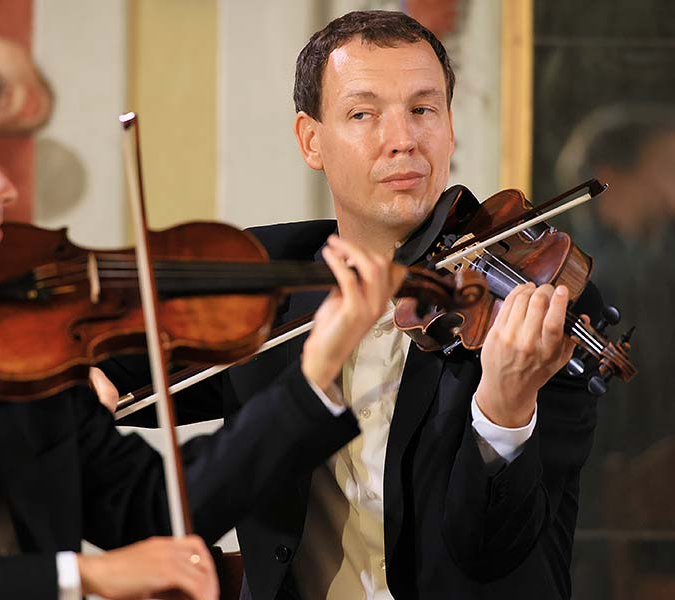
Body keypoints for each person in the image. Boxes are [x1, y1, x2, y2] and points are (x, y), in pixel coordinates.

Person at [0, 61, 407, 599]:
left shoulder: (12, 343)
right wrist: (82, 574)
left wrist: (312, 374)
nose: (7, 189)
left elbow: (151, 507)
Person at [216, 10, 604, 600]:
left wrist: (503, 410)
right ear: (310, 139)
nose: (403, 140)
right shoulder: (263, 277)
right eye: (363, 114)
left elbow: (491, 554)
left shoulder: (534, 296)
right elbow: (109, 383)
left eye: (423, 110)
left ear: (450, 128)